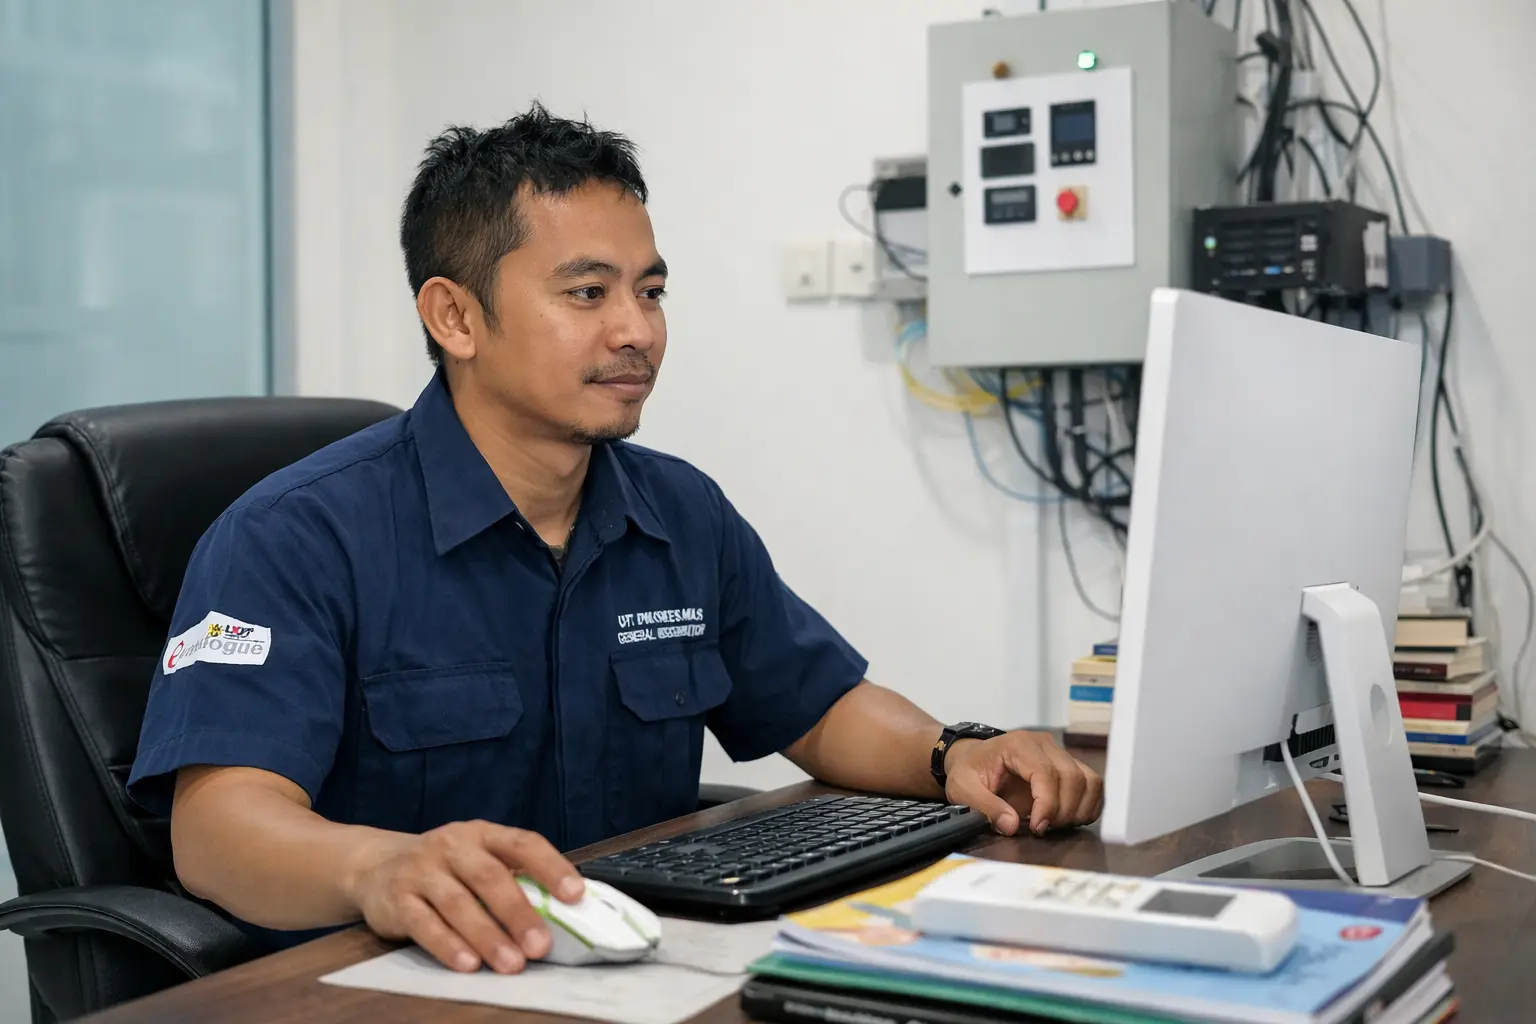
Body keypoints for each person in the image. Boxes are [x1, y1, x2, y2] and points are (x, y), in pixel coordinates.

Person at [128, 103, 1103, 976]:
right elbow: (216, 833)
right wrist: (382, 868)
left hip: (641, 970)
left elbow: (817, 706)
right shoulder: (291, 538)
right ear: (455, 315)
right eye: (588, 293)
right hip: (389, 986)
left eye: (652, 291)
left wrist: (952, 752)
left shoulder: (679, 510)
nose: (637, 330)